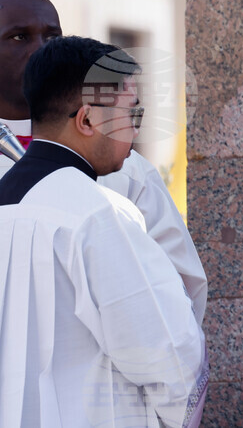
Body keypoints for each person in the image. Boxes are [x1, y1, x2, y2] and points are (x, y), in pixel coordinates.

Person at [0, 36, 208, 427]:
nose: (135, 129)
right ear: (88, 120)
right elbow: (172, 356)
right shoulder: (97, 213)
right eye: (132, 113)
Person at [0, 0, 207, 324]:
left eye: (52, 38)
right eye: (19, 37)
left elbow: (181, 283)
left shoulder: (124, 166)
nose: (39, 50)